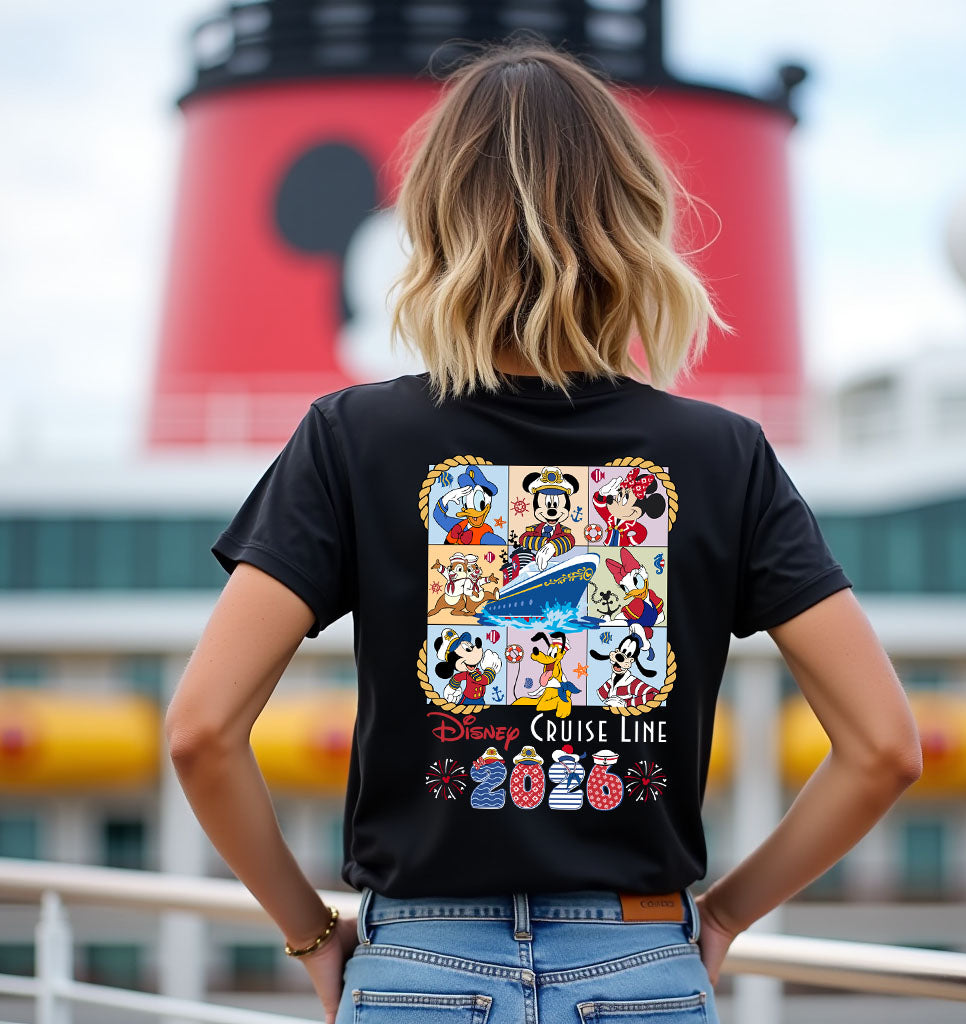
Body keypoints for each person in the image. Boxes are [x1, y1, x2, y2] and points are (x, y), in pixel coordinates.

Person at [164, 35, 924, 1024]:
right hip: (642, 967)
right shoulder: (723, 455)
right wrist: (725, 915)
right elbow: (883, 748)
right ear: (635, 216)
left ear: (432, 220)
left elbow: (200, 733)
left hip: (419, 973)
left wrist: (311, 932)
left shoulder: (351, 439)